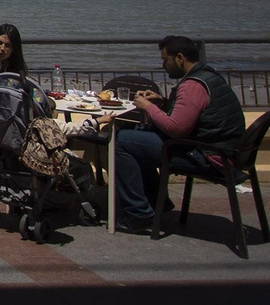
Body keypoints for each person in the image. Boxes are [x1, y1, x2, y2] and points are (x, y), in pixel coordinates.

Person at [99, 34, 246, 232]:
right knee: (134, 135)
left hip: (208, 157)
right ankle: (155, 201)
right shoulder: (207, 76)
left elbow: (177, 129)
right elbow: (193, 115)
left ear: (179, 58)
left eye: (165, 59)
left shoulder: (193, 86)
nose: (163, 65)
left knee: (119, 140)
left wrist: (148, 108)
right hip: (218, 150)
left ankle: (138, 213)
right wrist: (163, 103)